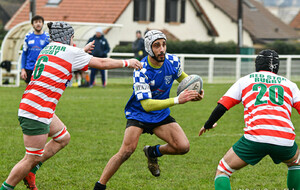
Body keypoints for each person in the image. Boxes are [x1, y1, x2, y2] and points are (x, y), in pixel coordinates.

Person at [0, 21, 142, 190]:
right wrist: (128, 62)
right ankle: (7, 187)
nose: (73, 40)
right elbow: (102, 63)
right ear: (67, 37)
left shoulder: (47, 48)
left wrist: (80, 52)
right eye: (72, 37)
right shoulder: (71, 52)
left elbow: (64, 58)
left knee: (62, 138)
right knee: (31, 157)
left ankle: (31, 171)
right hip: (37, 110)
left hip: (36, 105)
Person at [93, 30, 204, 190]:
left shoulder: (172, 62)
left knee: (183, 146)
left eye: (164, 44)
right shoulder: (141, 69)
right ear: (149, 48)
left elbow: (186, 81)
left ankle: (152, 152)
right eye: (157, 45)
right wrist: (177, 100)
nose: (162, 49)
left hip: (160, 115)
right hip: (139, 114)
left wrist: (196, 92)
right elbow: (146, 105)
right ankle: (100, 186)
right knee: (126, 151)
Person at [199, 49, 300, 190]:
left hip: (255, 138)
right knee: (295, 163)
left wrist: (208, 124)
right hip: (284, 138)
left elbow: (222, 106)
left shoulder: (246, 80)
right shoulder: (290, 85)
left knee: (223, 170)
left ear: (257, 65)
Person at [20, 15, 50, 86]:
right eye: (36, 22)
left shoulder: (48, 37)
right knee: (29, 90)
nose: (38, 24)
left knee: (41, 90)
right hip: (29, 68)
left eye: (40, 22)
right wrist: (22, 69)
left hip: (43, 68)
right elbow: (24, 53)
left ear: (42, 24)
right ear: (32, 24)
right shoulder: (28, 37)